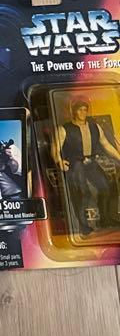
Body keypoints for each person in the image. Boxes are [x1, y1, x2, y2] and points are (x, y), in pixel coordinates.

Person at [59, 98, 120, 235]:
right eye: (79, 110)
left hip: (91, 162)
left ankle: (105, 219)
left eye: (85, 110)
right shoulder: (64, 129)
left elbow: (106, 145)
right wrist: (59, 160)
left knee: (106, 188)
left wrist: (118, 158)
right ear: (74, 111)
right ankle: (82, 225)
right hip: (75, 163)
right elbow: (55, 147)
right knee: (82, 193)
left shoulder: (95, 127)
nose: (82, 112)